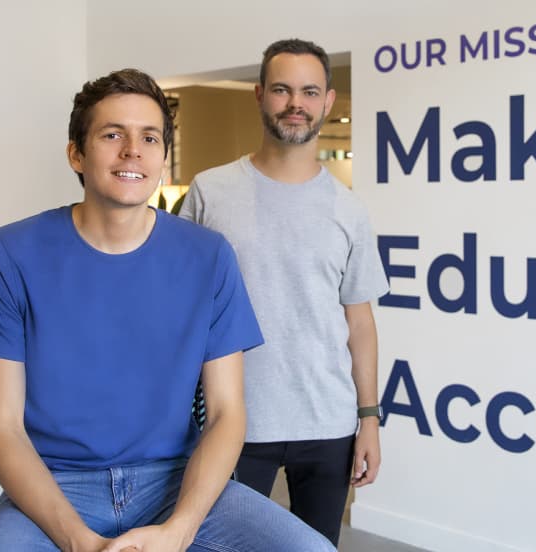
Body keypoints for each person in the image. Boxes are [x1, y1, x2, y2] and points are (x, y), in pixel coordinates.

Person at [0, 68, 335, 552]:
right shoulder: (9, 254)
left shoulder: (208, 256)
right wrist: (81, 543)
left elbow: (227, 413)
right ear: (76, 154)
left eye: (149, 138)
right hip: (55, 486)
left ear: (163, 158)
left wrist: (179, 530)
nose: (133, 150)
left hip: (173, 484)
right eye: (112, 135)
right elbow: (0, 428)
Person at [179, 39, 389, 546]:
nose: (296, 103)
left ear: (327, 102)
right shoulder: (210, 191)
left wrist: (369, 419)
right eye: (282, 89)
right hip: (233, 420)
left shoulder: (349, 209)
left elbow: (359, 322)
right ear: (259, 95)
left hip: (327, 421)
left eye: (309, 91)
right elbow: (180, 307)